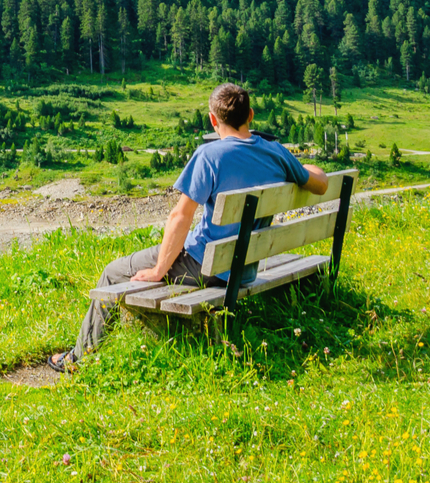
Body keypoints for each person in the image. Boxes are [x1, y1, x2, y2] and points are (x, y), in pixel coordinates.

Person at [50, 82, 328, 370]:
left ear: (212, 119)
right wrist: (306, 168)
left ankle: (79, 359)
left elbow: (180, 217)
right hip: (245, 268)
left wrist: (160, 270)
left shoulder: (209, 156)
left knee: (112, 273)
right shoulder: (276, 153)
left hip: (207, 265)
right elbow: (320, 183)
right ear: (251, 115)